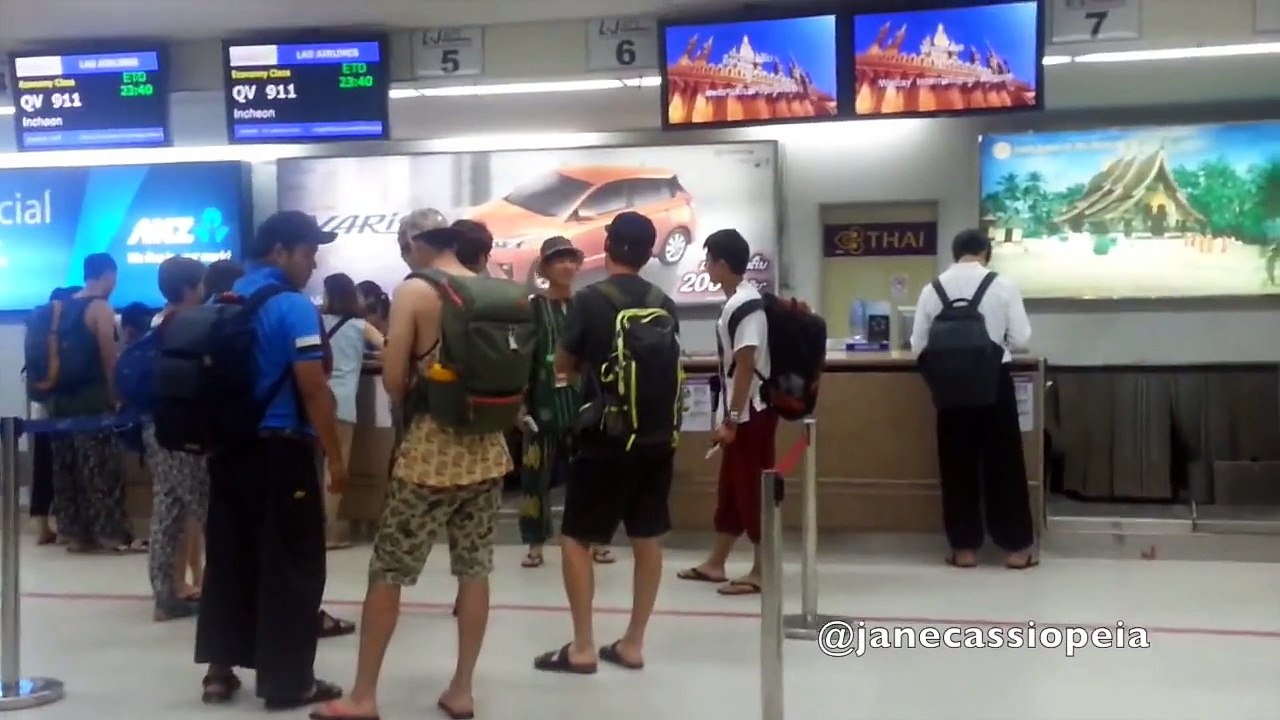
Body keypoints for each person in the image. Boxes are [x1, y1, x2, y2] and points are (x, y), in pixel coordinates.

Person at [312, 225, 514, 720]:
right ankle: (462, 690)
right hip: (488, 452)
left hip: (429, 456)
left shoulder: (416, 291)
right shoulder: (498, 290)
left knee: (388, 572)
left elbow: (395, 380)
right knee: (474, 570)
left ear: (419, 246)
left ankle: (363, 696)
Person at [195, 211, 347, 709]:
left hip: (229, 451)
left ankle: (219, 673)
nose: (314, 262)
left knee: (229, 556)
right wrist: (336, 457)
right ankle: (288, 682)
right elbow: (313, 387)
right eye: (308, 252)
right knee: (292, 564)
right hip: (282, 452)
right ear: (279, 252)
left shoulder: (222, 300)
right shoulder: (293, 306)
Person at [534, 211, 680, 675]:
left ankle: (582, 646)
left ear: (608, 244)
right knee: (647, 537)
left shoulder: (589, 300)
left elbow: (563, 363)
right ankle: (633, 643)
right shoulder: (663, 301)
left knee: (577, 538)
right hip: (657, 436)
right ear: (650, 253)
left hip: (605, 438)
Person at [909, 228, 1036, 570]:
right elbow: (1021, 339)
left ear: (955, 253)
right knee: (1004, 464)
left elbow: (918, 345)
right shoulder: (1003, 285)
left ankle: (964, 549)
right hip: (994, 382)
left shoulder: (932, 289)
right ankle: (1016, 548)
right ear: (986, 252)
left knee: (956, 467)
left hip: (950, 389)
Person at [678, 229, 776, 596]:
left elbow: (746, 363)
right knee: (733, 488)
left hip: (751, 412)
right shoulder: (738, 301)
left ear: (720, 263)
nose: (706, 267)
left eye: (708, 260)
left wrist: (732, 420)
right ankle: (716, 562)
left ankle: (763, 569)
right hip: (742, 411)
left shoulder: (746, 306)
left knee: (751, 488)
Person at [519, 237, 614, 568]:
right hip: (542, 403)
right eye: (558, 260)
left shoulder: (585, 305)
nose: (567, 266)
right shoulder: (533, 307)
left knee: (590, 476)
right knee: (535, 476)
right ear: (544, 267)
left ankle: (595, 539)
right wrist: (519, 404)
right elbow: (523, 358)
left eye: (571, 259)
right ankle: (534, 543)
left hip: (582, 404)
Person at [49, 254, 140, 554]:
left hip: (59, 404)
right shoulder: (100, 308)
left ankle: (75, 534)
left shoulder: (62, 307)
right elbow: (108, 358)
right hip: (92, 402)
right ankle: (109, 534)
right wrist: (116, 397)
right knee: (101, 469)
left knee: (67, 471)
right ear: (108, 275)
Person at [143, 256, 209, 621]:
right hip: (185, 429)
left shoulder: (158, 322)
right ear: (192, 287)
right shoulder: (192, 324)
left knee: (167, 509)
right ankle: (225, 592)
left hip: (156, 424)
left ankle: (165, 593)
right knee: (208, 508)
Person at [320, 272, 385, 549]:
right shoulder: (360, 326)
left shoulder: (317, 321)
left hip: (316, 400)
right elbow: (388, 347)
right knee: (336, 468)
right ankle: (331, 533)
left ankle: (310, 530)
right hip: (343, 402)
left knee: (313, 467)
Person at [29, 285, 81, 546]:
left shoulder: (36, 330)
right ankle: (66, 525)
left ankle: (43, 527)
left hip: (39, 411)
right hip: (59, 410)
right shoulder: (58, 333)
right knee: (63, 469)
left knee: (42, 469)